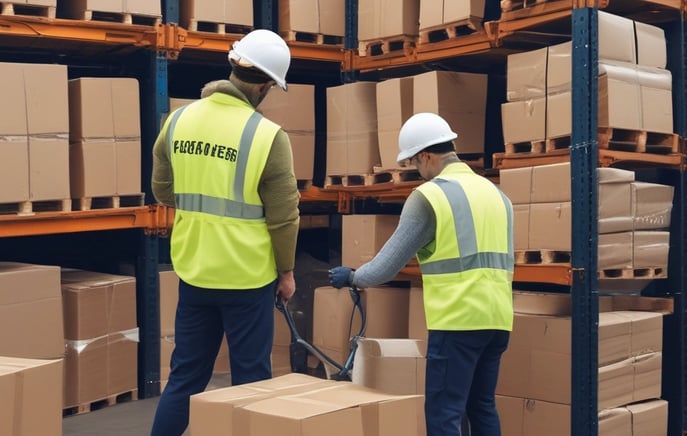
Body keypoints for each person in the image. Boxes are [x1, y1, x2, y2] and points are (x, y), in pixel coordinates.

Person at [150, 29, 299, 436]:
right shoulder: (267, 136)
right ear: (267, 85)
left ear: (233, 65)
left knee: (184, 380)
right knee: (251, 384)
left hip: (196, 271)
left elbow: (163, 190)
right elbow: (284, 217)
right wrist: (285, 272)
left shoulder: (177, 120)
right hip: (247, 279)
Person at [329, 112, 514, 436]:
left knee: (444, 413)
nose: (418, 172)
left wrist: (354, 277)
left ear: (427, 156)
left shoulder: (430, 198)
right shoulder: (497, 195)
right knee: (482, 408)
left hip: (458, 321)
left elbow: (387, 264)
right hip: (498, 320)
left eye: (415, 163)